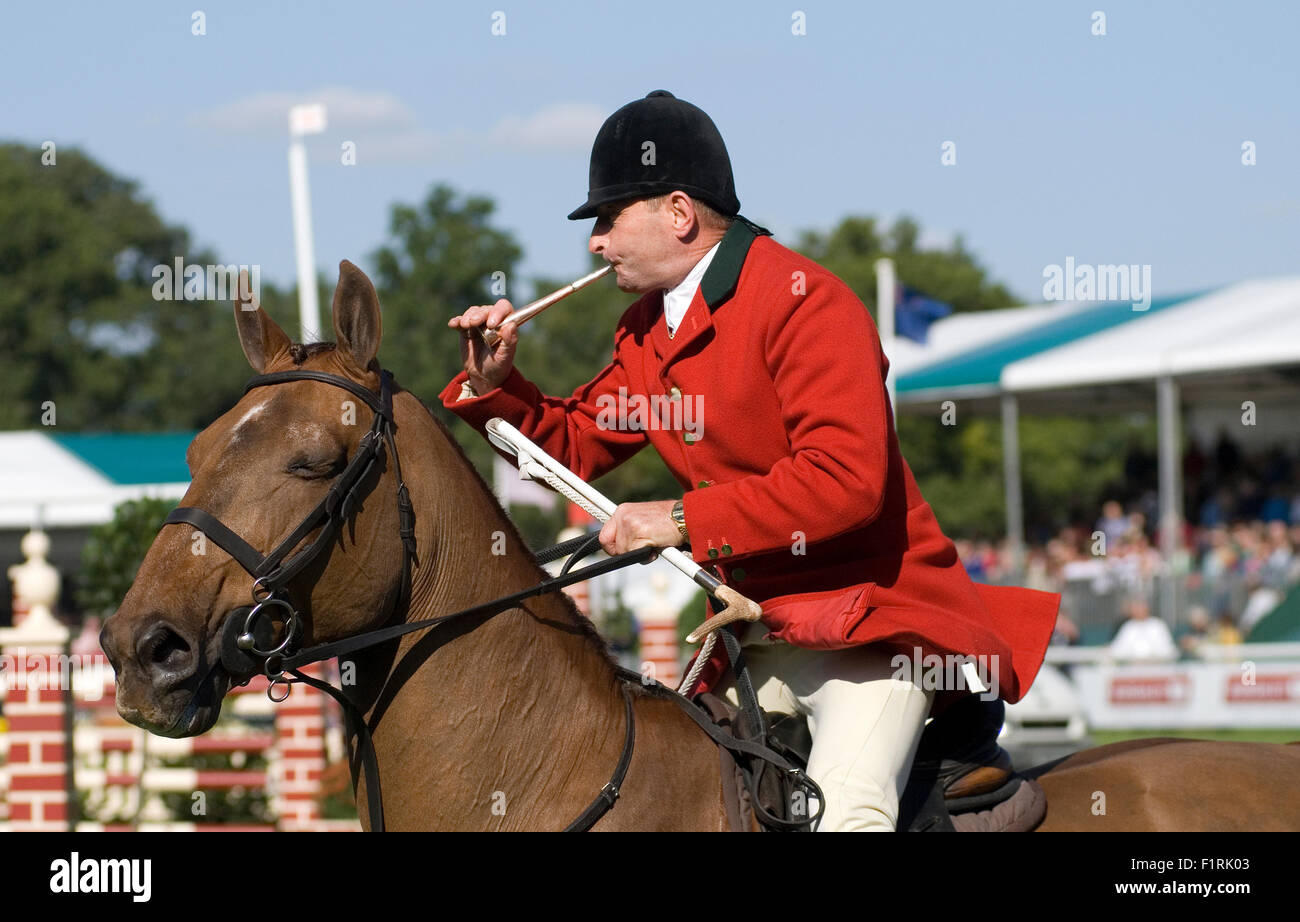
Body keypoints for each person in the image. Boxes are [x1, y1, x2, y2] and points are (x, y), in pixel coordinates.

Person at [440, 91, 1060, 830]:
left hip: (871, 632)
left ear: (678, 213)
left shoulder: (807, 302)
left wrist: (676, 519)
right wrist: (495, 385)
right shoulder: (643, 331)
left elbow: (845, 480)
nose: (595, 243)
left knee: (847, 816)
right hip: (749, 641)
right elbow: (575, 445)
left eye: (608, 219)